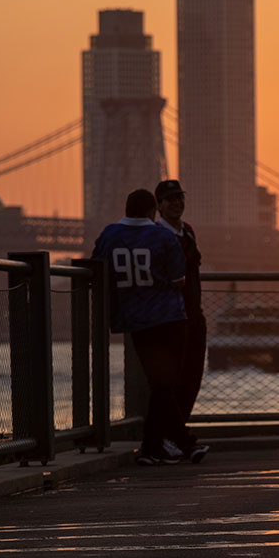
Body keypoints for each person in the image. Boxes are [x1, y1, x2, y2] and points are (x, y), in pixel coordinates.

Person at [91, 188, 189, 466]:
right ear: (152, 211)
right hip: (168, 317)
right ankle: (175, 444)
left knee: (160, 383)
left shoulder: (109, 235)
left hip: (134, 319)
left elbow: (97, 265)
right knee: (165, 382)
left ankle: (160, 446)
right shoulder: (163, 236)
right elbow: (178, 277)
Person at [155, 179, 210, 463]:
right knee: (172, 379)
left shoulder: (187, 231)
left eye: (179, 198)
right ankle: (170, 438)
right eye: (170, 199)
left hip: (194, 315)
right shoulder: (156, 235)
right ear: (159, 205)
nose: (177, 203)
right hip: (172, 318)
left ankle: (174, 436)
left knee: (192, 377)